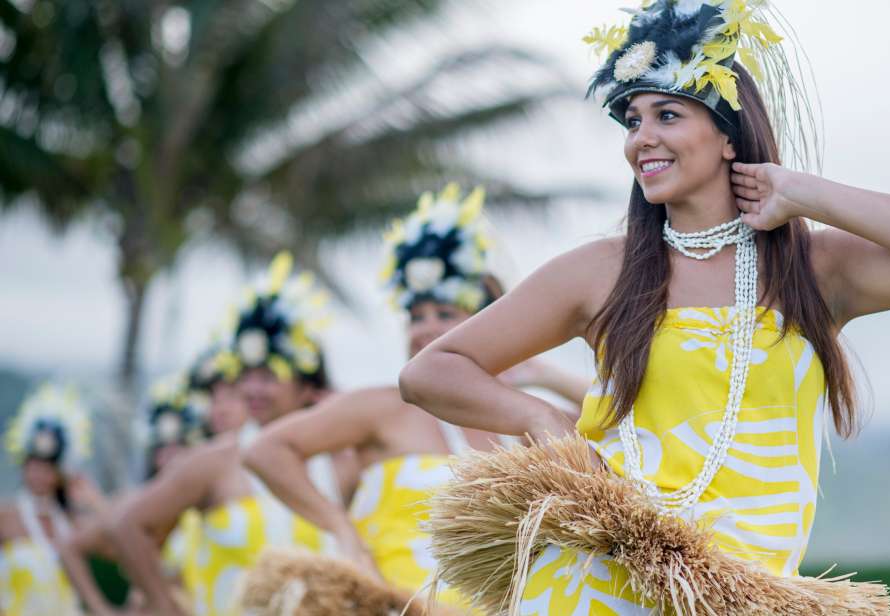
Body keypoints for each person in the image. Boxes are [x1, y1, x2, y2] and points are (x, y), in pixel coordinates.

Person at [398, 1, 890, 613]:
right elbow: (431, 371)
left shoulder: (811, 271)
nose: (642, 139)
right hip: (595, 585)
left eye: (667, 115)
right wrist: (549, 426)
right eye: (632, 121)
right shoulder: (603, 271)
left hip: (743, 594)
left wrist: (802, 192)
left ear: (727, 135)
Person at [244, 184, 586, 608]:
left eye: (444, 315)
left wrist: (542, 373)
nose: (422, 328)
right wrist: (341, 530)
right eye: (414, 316)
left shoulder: (526, 421)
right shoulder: (382, 407)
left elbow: (624, 421)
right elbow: (266, 451)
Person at [109, 252, 356, 616]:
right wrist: (163, 604)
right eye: (246, 375)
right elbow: (129, 526)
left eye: (268, 376)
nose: (253, 389)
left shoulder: (341, 463)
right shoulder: (215, 462)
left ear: (306, 387)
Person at [58, 365, 241, 616]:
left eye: (179, 447)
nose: (169, 458)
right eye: (161, 449)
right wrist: (103, 610)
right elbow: (71, 547)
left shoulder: (218, 499)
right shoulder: (140, 506)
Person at [0, 383, 103, 615]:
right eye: (33, 465)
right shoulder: (6, 516)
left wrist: (95, 502)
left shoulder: (72, 520)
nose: (39, 474)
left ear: (61, 472)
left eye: (47, 467)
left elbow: (116, 536)